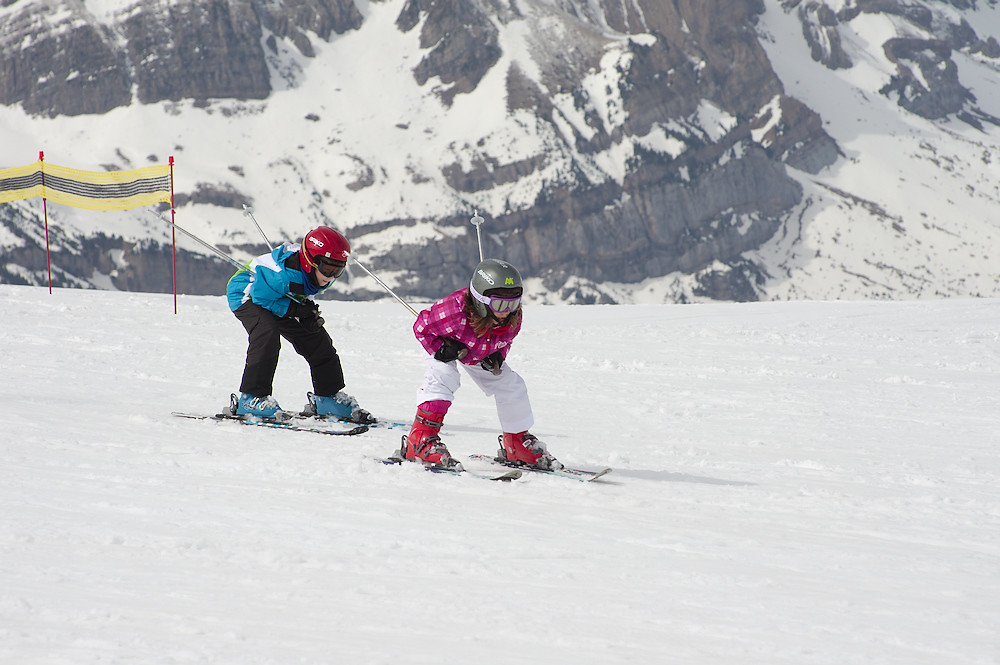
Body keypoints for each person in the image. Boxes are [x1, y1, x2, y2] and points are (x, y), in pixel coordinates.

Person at [400, 258, 562, 471]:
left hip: (479, 351)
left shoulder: (513, 316)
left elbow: (506, 340)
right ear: (480, 300)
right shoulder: (453, 311)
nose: (507, 310)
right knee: (444, 376)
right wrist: (439, 348)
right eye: (500, 304)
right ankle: (420, 440)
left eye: (514, 303)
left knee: (510, 384)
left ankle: (516, 442)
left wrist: (498, 355)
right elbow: (421, 326)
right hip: (446, 344)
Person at [226, 225, 374, 423]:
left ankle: (327, 397)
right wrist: (294, 310)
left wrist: (304, 310)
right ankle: (251, 398)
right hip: (248, 294)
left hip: (279, 296)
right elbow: (262, 298)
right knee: (267, 334)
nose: (330, 276)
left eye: (338, 270)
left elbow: (296, 292)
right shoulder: (283, 276)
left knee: (317, 339)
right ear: (310, 262)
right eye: (327, 269)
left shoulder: (314, 273)